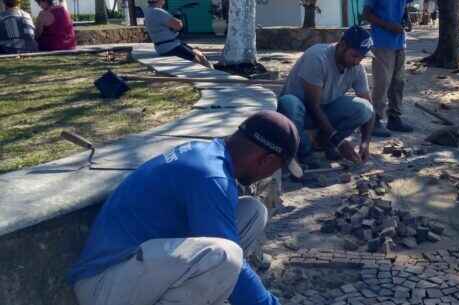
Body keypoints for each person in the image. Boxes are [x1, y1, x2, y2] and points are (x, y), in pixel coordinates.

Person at [68, 111, 302, 305]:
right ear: (266, 160)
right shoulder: (210, 178)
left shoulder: (208, 155)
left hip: (132, 269)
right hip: (103, 287)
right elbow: (233, 263)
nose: (271, 174)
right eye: (277, 168)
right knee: (224, 256)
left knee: (252, 211)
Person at [277, 25, 375, 168]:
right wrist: (339, 142)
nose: (357, 61)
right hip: (300, 114)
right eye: (354, 55)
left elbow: (370, 108)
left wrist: (365, 143)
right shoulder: (318, 57)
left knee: (364, 109)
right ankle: (302, 154)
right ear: (342, 45)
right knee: (289, 103)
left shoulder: (357, 67)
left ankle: (323, 144)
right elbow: (313, 106)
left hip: (323, 111)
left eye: (361, 57)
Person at [363, 0, 414, 137]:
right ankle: (375, 121)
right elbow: (366, 14)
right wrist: (387, 25)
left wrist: (406, 18)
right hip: (382, 42)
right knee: (382, 82)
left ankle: (394, 118)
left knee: (399, 82)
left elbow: (404, 6)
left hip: (399, 41)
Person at [144, 0, 212, 67]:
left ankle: (214, 70)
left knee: (200, 54)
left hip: (167, 45)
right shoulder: (158, 11)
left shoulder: (148, 11)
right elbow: (178, 26)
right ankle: (215, 74)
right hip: (171, 47)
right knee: (199, 60)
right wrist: (179, 20)